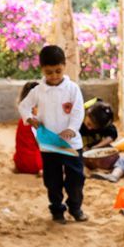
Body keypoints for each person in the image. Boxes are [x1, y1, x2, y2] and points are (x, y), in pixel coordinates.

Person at [18, 45, 86, 222]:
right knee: (52, 181)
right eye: (49, 72)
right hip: (49, 144)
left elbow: (78, 111)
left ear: (64, 66)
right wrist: (30, 118)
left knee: (76, 180)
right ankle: (57, 211)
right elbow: (23, 106)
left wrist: (72, 128)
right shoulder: (38, 91)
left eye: (58, 71)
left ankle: (76, 208)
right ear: (42, 69)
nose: (54, 76)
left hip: (71, 143)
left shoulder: (72, 89)